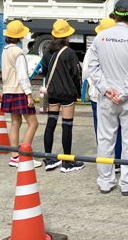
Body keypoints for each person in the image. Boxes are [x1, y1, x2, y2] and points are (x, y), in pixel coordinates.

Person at [88, 0, 128, 196]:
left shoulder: (100, 38)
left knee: (105, 138)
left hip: (106, 98)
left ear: (114, 15)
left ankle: (105, 181)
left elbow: (93, 68)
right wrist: (122, 94)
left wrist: (106, 89)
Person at [41, 20, 84, 173]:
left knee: (50, 123)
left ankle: (48, 159)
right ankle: (67, 162)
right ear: (67, 35)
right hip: (67, 93)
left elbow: (44, 72)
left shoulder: (46, 50)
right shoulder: (69, 53)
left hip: (52, 92)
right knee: (67, 125)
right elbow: (75, 74)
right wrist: (78, 92)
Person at [82, 17, 122, 173]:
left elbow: (86, 73)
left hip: (97, 96)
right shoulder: (121, 48)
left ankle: (105, 162)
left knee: (102, 130)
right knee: (118, 129)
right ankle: (118, 161)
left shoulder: (93, 49)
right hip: (117, 95)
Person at [1, 21, 41, 168]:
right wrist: (29, 94)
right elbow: (23, 76)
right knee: (33, 123)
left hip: (8, 90)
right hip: (20, 91)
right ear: (19, 37)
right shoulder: (18, 53)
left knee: (15, 124)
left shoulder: (5, 50)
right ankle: (25, 156)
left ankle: (15, 157)